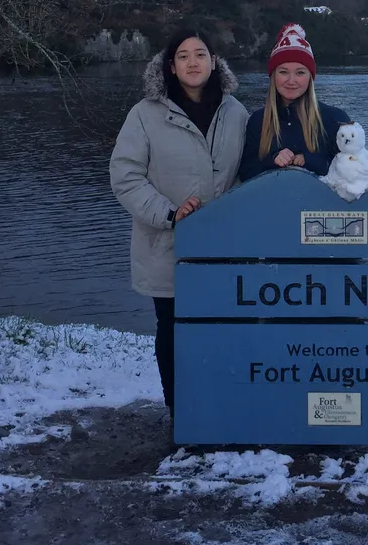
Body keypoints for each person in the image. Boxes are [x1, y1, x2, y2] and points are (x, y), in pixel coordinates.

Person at [109, 28, 248, 428]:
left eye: (200, 54)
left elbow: (244, 174)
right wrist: (170, 214)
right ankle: (181, 415)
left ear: (213, 62)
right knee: (173, 331)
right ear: (171, 66)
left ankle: (223, 408)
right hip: (167, 246)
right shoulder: (144, 115)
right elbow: (125, 177)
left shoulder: (236, 113)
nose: (192, 62)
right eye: (183, 56)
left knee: (222, 331)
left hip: (222, 249)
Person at [239, 23, 351, 182]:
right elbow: (246, 173)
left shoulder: (334, 119)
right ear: (273, 76)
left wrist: (309, 161)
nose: (291, 81)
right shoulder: (258, 121)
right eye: (283, 72)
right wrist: (272, 160)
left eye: (300, 73)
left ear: (310, 77)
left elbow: (352, 172)